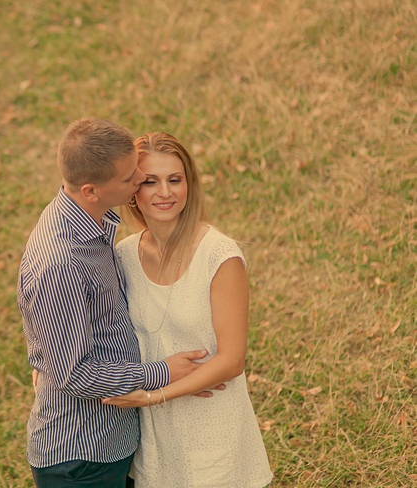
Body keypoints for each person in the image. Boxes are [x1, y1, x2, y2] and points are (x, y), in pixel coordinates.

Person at [17, 118, 209, 488]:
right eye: (129, 179)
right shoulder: (63, 261)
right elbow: (75, 374)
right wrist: (163, 372)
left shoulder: (88, 220)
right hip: (82, 457)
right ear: (91, 190)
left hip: (112, 441)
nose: (140, 180)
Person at [103, 131, 273, 487]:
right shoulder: (123, 255)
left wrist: (154, 395)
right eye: (151, 181)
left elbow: (232, 360)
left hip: (213, 434)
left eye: (174, 179)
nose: (165, 192)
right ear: (133, 189)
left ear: (189, 184)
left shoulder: (219, 256)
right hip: (154, 443)